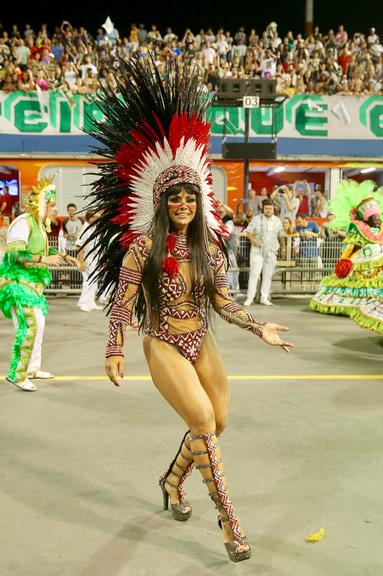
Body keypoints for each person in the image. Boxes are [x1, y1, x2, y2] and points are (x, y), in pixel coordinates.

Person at [85, 57, 293, 563]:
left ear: (199, 201)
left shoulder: (210, 249)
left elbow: (222, 301)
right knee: (201, 418)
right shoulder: (142, 248)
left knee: (218, 422)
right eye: (173, 196)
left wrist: (258, 325)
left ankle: (171, 480)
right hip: (161, 340)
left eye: (189, 196)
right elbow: (122, 301)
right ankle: (229, 520)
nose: (182, 203)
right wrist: (115, 348)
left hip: (203, 337)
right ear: (160, 201)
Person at [0, 178, 79, 391]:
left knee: (39, 325)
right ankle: (17, 374)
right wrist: (44, 260)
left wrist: (63, 255)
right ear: (41, 205)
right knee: (29, 327)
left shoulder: (39, 225)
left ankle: (32, 368)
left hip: (34, 286)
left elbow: (41, 250)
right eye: (52, 205)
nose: (55, 209)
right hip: (18, 284)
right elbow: (15, 254)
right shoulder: (24, 222)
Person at [310, 180, 383, 333]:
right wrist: (347, 259)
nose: (377, 219)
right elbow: (352, 246)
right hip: (362, 262)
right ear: (367, 219)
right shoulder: (358, 228)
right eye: (374, 217)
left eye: (378, 217)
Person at [243, 199, 285, 306]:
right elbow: (248, 232)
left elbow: (281, 235)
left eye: (270, 208)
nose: (268, 210)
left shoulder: (277, 221)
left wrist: (283, 248)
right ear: (263, 209)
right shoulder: (257, 219)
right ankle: (250, 297)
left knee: (267, 275)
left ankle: (264, 297)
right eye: (266, 208)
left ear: (273, 209)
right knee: (254, 274)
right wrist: (253, 240)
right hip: (257, 251)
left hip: (271, 251)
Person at [76, 209, 103, 312]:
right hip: (87, 258)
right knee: (88, 281)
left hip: (95, 258)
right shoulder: (84, 229)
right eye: (95, 217)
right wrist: (81, 262)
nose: (97, 219)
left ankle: (90, 302)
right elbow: (79, 246)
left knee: (94, 281)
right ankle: (83, 302)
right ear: (89, 218)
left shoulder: (94, 228)